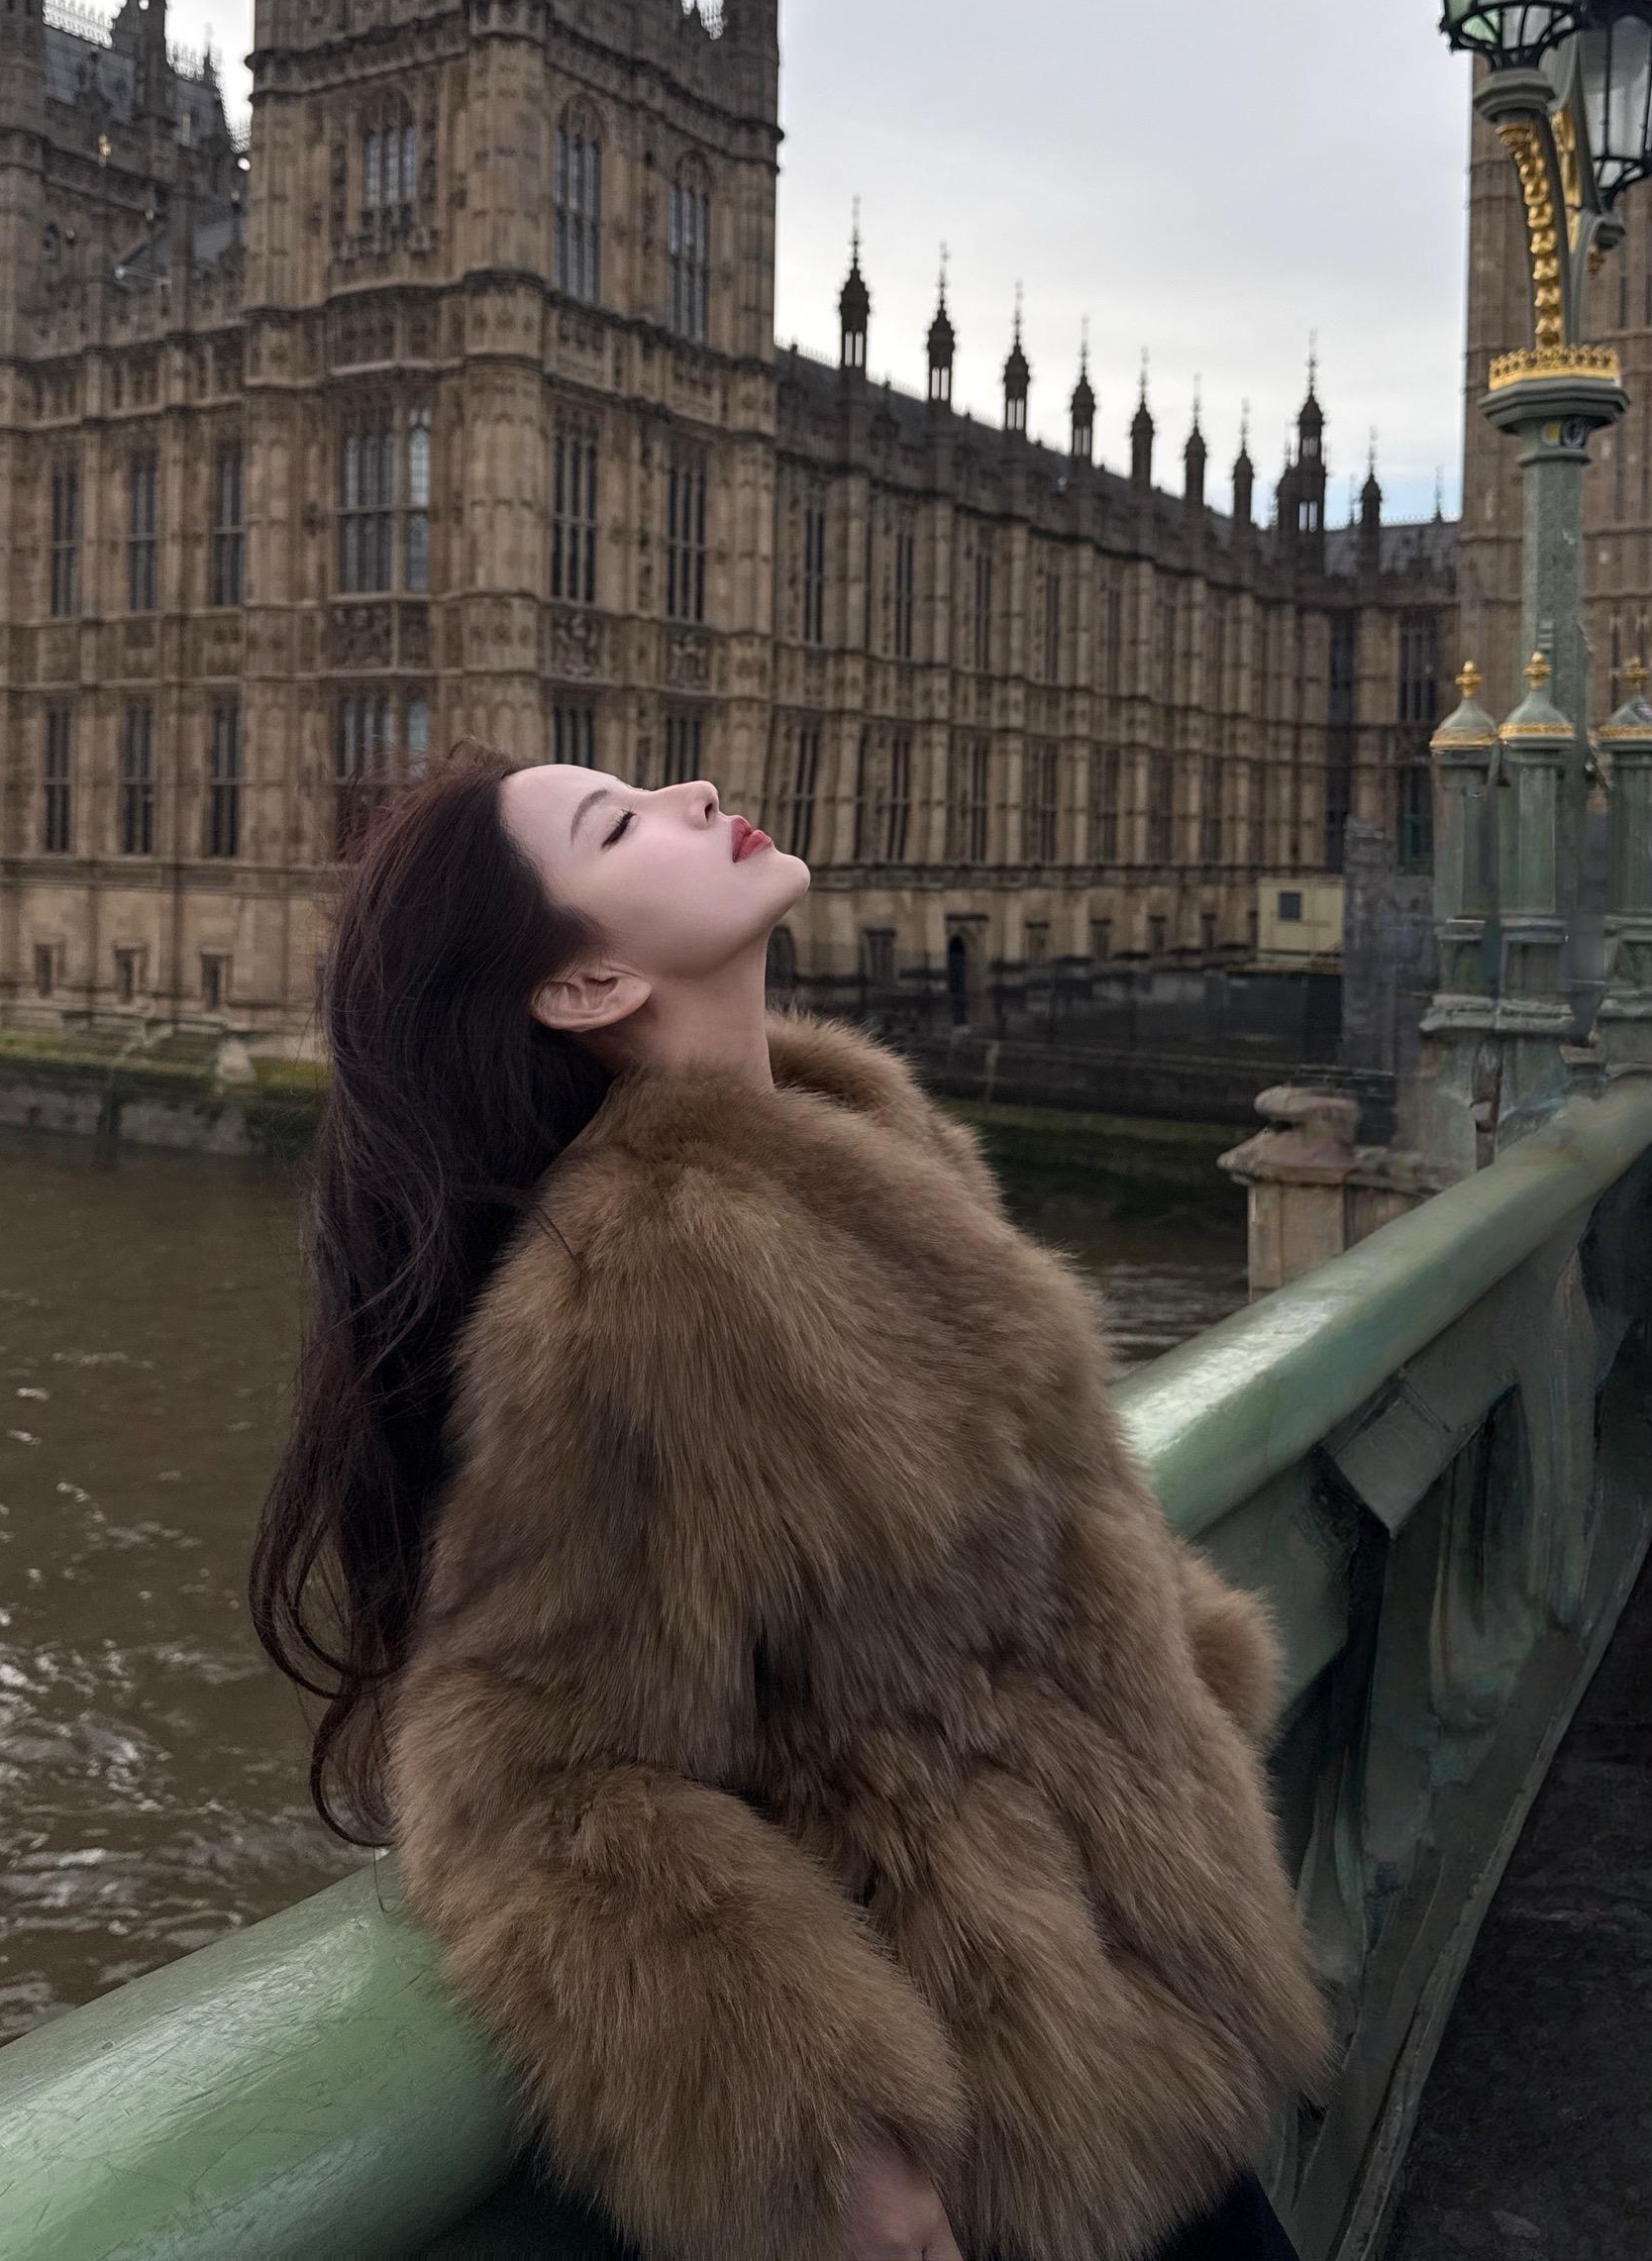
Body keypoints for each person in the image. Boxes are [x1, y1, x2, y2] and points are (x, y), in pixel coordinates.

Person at [251, 744, 1331, 2261]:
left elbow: (1051, 1536)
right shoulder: (653, 1274)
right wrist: (809, 2135)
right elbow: (527, 1786)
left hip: (1155, 2008)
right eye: (619, 823)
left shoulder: (876, 1147)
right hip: (1008, 2116)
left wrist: (1188, 1696)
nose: (693, 796)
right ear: (584, 984)